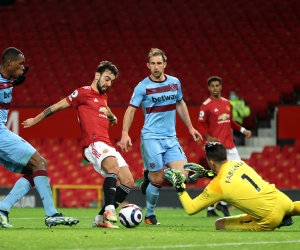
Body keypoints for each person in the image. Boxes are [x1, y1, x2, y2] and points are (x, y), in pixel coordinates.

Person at [22, 61, 134, 229]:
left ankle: (100, 219)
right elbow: (56, 107)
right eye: (106, 78)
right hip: (93, 143)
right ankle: (110, 209)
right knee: (113, 166)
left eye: (111, 81)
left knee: (128, 181)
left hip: (107, 143)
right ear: (97, 75)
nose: (108, 83)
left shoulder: (103, 97)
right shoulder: (82, 93)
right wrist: (34, 120)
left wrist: (112, 116)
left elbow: (104, 107)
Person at [119, 48, 202, 225]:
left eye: (159, 63)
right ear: (148, 66)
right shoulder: (143, 87)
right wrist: (125, 133)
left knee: (182, 176)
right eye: (153, 64)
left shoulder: (175, 83)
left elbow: (180, 103)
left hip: (171, 138)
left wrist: (190, 127)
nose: (156, 67)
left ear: (165, 64)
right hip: (151, 137)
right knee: (158, 178)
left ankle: (149, 175)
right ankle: (150, 215)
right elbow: (131, 110)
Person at [0, 47, 79, 228]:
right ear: (9, 63)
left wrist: (10, 82)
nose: (23, 68)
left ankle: (2, 209)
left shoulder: (6, 81)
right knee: (40, 162)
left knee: (34, 170)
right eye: (20, 64)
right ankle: (51, 214)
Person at [165, 141, 300, 231]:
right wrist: (207, 173)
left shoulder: (218, 186)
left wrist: (179, 185)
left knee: (219, 224)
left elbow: (191, 208)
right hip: (282, 200)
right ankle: (286, 215)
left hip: (269, 218)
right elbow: (231, 177)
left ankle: (281, 219)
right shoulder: (239, 163)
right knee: (292, 207)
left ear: (211, 162)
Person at [197, 76, 252, 217]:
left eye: (217, 85)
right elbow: (200, 125)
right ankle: (216, 205)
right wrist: (208, 137)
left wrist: (243, 130)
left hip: (230, 146)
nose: (215, 88)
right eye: (212, 86)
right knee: (219, 177)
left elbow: (231, 122)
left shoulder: (227, 103)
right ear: (209, 88)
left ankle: (215, 206)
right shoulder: (206, 105)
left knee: (239, 171)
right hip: (217, 147)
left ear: (221, 87)